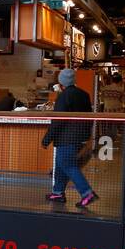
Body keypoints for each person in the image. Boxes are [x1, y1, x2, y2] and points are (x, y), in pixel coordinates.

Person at [41, 68, 97, 208]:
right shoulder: (84, 94)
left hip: (67, 138)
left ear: (61, 83)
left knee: (68, 165)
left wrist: (47, 139)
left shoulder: (64, 96)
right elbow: (89, 117)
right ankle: (58, 192)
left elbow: (58, 120)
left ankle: (87, 193)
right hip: (80, 137)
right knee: (60, 164)